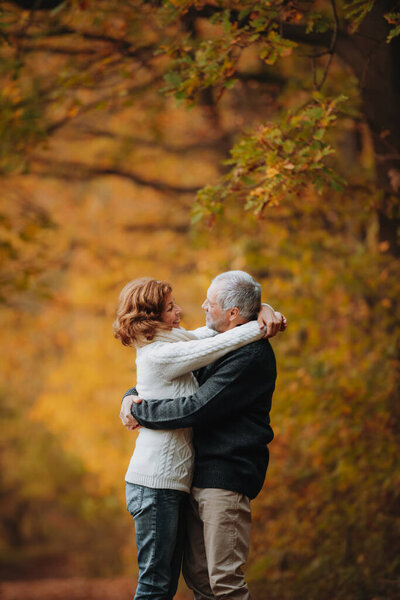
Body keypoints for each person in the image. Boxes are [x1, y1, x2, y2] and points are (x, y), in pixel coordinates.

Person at [114, 276, 284, 600]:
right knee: (182, 580)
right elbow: (172, 370)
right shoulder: (180, 347)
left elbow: (194, 404)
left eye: (212, 302)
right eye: (170, 307)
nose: (196, 307)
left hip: (223, 475)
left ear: (233, 313)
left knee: (215, 580)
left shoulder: (245, 354)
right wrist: (131, 400)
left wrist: (264, 312)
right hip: (172, 479)